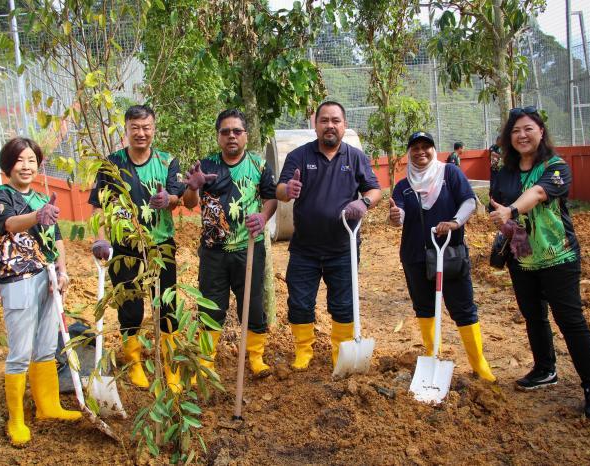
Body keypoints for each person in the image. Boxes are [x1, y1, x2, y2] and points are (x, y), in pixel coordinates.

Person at [489, 107, 590, 421]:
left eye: (528, 129)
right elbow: (496, 203)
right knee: (533, 316)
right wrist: (506, 224)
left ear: (540, 132)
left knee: (570, 320)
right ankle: (544, 369)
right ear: (508, 138)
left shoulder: (556, 167)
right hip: (523, 257)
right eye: (515, 131)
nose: (522, 135)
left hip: (558, 256)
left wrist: (511, 211)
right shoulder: (505, 172)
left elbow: (540, 193)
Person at [0, 137, 81, 447]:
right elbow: (9, 225)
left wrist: (63, 272)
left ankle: (48, 406)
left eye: (31, 160)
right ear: (8, 165)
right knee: (20, 353)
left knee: (44, 347)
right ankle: (16, 420)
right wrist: (36, 218)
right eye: (19, 160)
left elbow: (59, 240)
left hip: (48, 278)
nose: (26, 166)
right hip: (18, 281)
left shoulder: (43, 198)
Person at [276, 101, 382, 371]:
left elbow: (374, 190)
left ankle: (340, 352)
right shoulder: (299, 156)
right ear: (316, 125)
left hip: (343, 247)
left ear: (344, 125)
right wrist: (288, 189)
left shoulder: (355, 157)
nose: (330, 125)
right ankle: (303, 351)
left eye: (336, 120)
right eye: (324, 120)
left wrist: (364, 203)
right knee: (299, 302)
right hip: (304, 248)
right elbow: (279, 190)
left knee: (344, 304)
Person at [88, 105, 186, 391]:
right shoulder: (112, 163)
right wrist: (101, 237)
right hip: (125, 245)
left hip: (161, 244)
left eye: (146, 128)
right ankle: (134, 362)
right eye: (135, 128)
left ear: (154, 129)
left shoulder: (168, 161)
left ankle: (170, 366)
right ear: (126, 130)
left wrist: (167, 199)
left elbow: (177, 197)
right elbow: (99, 205)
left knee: (166, 305)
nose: (141, 133)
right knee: (129, 305)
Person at [389, 131, 495, 382]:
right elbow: (400, 216)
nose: (421, 152)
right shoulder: (403, 186)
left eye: (426, 147)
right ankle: (431, 357)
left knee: (463, 307)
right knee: (424, 308)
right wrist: (395, 218)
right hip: (415, 255)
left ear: (434, 150)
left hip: (450, 254)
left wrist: (455, 223)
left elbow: (469, 201)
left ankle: (479, 363)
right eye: (415, 148)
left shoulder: (450, 174)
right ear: (409, 153)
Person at [182, 109, 277, 378]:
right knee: (211, 306)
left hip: (249, 248)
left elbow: (271, 198)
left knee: (253, 304)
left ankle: (256, 358)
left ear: (245, 135)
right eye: (225, 132)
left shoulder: (258, 165)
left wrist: (263, 215)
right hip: (214, 252)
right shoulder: (206, 166)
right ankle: (207, 360)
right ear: (218, 137)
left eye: (237, 131)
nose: (231, 136)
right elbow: (190, 204)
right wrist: (193, 187)